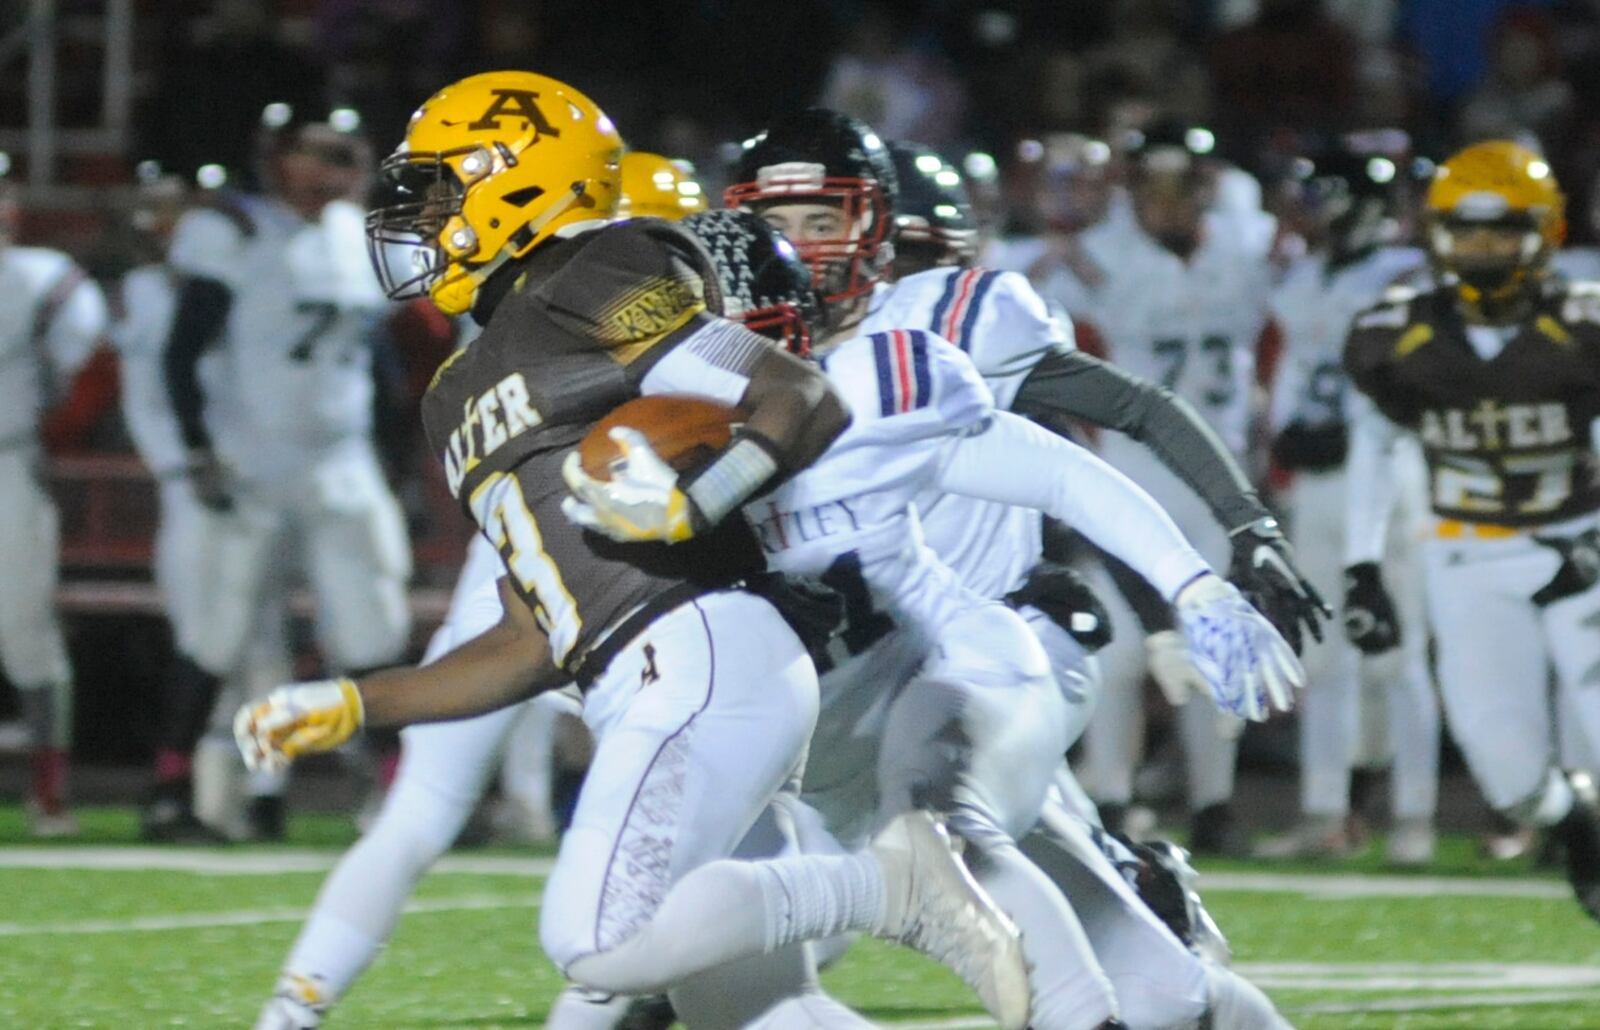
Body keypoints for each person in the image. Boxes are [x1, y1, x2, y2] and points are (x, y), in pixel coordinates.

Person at [238, 70, 1032, 1030]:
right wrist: (358, 701)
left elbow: (796, 395)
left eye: (445, 188)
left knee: (592, 946)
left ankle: (886, 884)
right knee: (749, 1007)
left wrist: (702, 498)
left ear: (519, 180)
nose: (423, 217)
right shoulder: (456, 392)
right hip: (639, 673)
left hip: (700, 648)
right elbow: (527, 644)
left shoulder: (594, 278)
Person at [718, 110, 1298, 1028]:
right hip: (815, 733)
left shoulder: (910, 356)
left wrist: (1195, 581)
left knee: (932, 843)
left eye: (821, 223)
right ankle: (1117, 878)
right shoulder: (682, 379)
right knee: (1165, 993)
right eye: (770, 227)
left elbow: (1065, 464)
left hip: (958, 668)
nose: (792, 253)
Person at [249, 155, 711, 1028]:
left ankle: (292, 1010)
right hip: (608, 580)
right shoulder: (608, 281)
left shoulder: (542, 284)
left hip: (551, 567)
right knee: (650, 829)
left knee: (457, 814)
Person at [1343, 140, 1600, 923]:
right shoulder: (1396, 332)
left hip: (1579, 547)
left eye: (1500, 231)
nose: (1481, 250)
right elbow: (1375, 443)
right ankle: (1576, 824)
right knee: (1510, 778)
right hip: (1468, 554)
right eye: (1465, 230)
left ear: (1545, 232)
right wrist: (1362, 566)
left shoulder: (1581, 322)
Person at [144, 108, 413, 839]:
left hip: (341, 460)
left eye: (349, 150)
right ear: (280, 159)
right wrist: (198, 448)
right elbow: (182, 351)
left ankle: (394, 792)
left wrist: (397, 457)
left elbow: (379, 362)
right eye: (322, 151)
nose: (343, 163)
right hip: (252, 459)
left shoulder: (358, 235)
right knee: (219, 632)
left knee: (373, 631)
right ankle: (171, 791)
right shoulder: (232, 230)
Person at [1038, 119, 1283, 853]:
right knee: (1116, 653)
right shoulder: (1091, 260)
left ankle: (1214, 804)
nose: (1171, 203)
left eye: (1186, 187)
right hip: (1130, 478)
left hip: (1220, 479)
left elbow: (1287, 334)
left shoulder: (1249, 249)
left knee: (1218, 643)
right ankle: (1110, 800)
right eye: (1157, 186)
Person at [1255, 137, 1441, 864]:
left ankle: (1415, 818)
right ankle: (1326, 810)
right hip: (1325, 484)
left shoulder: (1405, 275)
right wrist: (1287, 438)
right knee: (1324, 656)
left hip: (1393, 477)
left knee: (1400, 655)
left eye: (1325, 199)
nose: (1312, 214)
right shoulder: (1303, 280)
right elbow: (1296, 370)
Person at [0, 165, 109, 836]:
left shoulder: (42, 277)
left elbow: (84, 372)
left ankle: (48, 790)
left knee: (23, 629)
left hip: (8, 462)